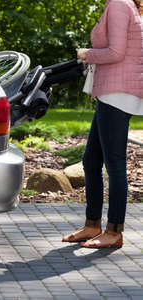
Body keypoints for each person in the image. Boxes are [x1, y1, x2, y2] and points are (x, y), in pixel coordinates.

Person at [62, 0, 143, 248]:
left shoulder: (119, 3)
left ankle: (114, 230)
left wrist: (87, 54)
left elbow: (116, 52)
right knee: (91, 160)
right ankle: (92, 225)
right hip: (112, 92)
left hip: (116, 93)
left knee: (114, 163)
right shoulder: (123, 3)